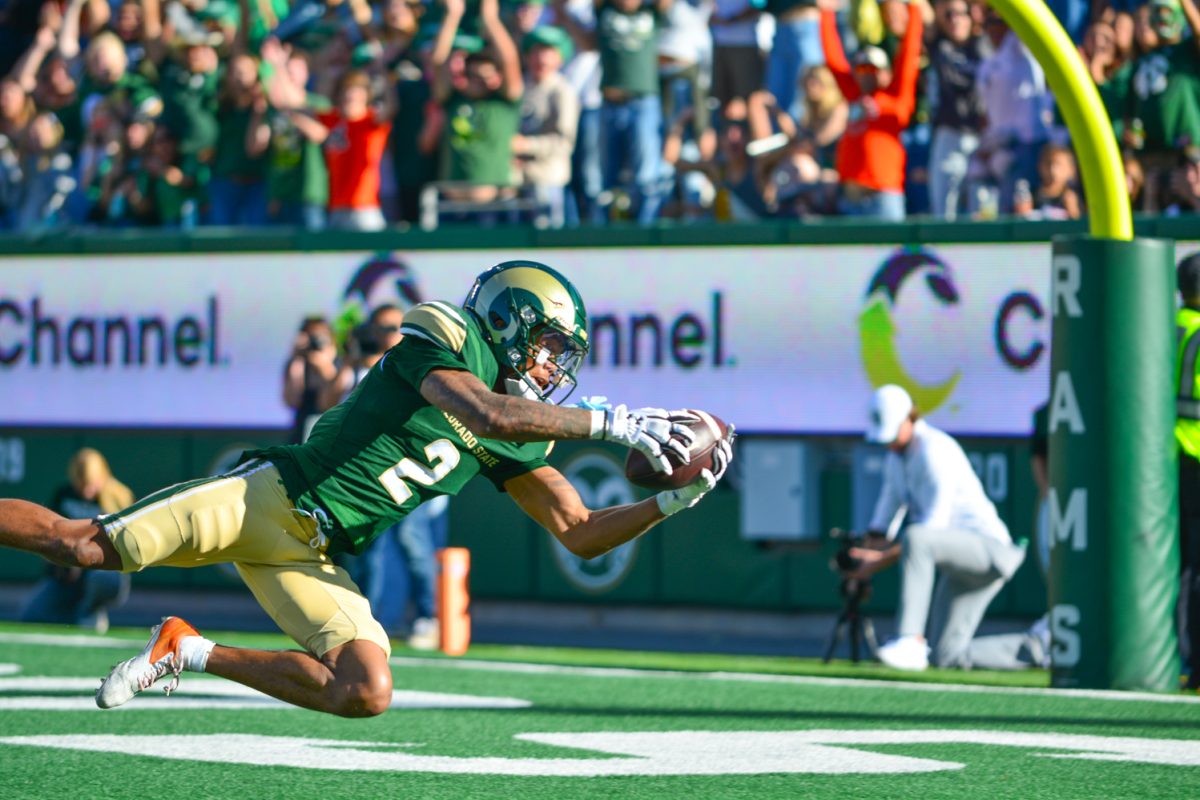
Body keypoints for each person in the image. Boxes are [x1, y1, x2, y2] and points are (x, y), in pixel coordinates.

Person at [0, 261, 733, 717]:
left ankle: (187, 651)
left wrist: (669, 501)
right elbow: (484, 411)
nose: (551, 370)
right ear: (511, 322)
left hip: (311, 555)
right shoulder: (445, 340)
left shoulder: (525, 426)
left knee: (365, 691)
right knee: (83, 545)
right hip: (266, 498)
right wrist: (612, 424)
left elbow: (578, 529)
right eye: (546, 350)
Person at [848, 384, 1029, 671]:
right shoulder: (896, 459)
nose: (889, 443)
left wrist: (877, 563)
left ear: (910, 418)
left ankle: (910, 639)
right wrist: (861, 566)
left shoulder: (935, 450)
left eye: (893, 432)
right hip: (962, 564)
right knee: (947, 656)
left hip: (992, 552)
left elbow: (930, 531)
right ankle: (1041, 649)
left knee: (918, 537)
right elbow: (882, 522)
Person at [819, 0, 922, 221]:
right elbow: (834, 59)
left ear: (886, 73)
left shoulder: (897, 99)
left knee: (892, 255)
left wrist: (915, 9)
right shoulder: (854, 95)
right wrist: (826, 13)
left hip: (883, 197)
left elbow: (909, 55)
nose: (867, 73)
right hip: (850, 199)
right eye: (862, 68)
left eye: (874, 68)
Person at [19, 448, 134, 634]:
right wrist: (62, 563)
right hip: (67, 572)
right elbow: (47, 537)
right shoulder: (64, 495)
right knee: (31, 615)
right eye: (82, 483)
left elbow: (128, 547)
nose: (87, 490)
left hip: (102, 571)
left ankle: (90, 612)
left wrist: (88, 561)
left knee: (104, 581)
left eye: (92, 484)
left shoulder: (119, 497)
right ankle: (73, 613)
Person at [1175, 252, 1200, 690]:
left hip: (1159, 459)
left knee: (1176, 567)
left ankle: (1180, 660)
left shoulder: (1163, 322)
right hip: (1195, 453)